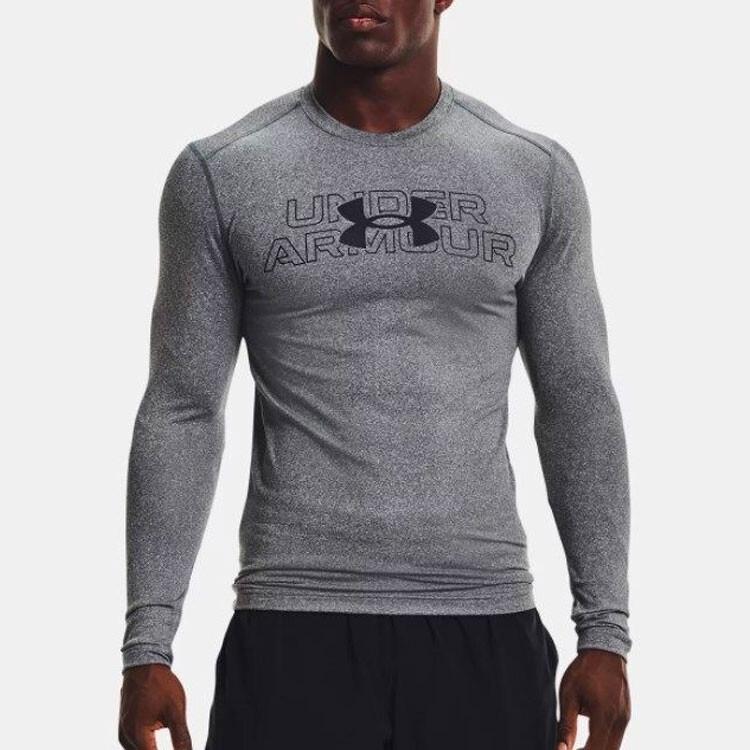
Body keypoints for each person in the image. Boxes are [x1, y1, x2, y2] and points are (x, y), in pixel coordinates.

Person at [118, 1, 632, 749]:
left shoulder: (530, 172)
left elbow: (577, 401)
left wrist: (605, 631)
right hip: (293, 624)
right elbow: (183, 408)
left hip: (483, 620)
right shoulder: (224, 172)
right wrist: (148, 646)